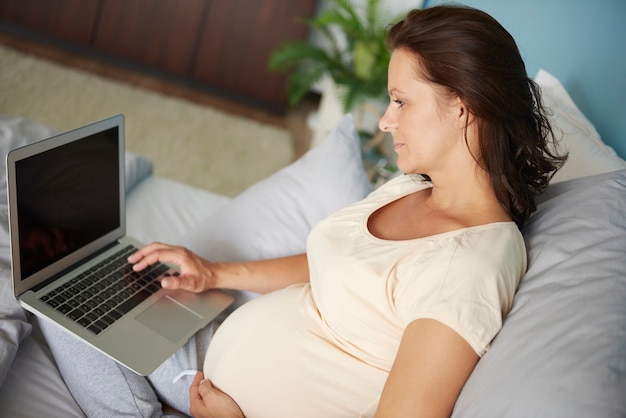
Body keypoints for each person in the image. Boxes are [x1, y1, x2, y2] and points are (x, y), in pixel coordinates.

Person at [39, 4, 566, 417]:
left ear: (463, 107)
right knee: (70, 274)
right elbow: (338, 268)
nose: (385, 121)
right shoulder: (411, 186)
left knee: (46, 291)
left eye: (401, 101)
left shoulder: (471, 264)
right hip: (210, 344)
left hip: (206, 397)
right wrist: (214, 273)